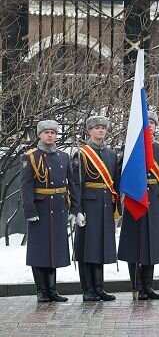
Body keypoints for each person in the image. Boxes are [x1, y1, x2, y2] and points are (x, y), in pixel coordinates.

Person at [21, 120, 75, 302]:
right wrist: (30, 210)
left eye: (53, 132)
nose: (50, 135)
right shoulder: (31, 156)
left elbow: (72, 184)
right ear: (39, 135)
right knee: (39, 250)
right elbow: (26, 186)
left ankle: (52, 290)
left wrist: (74, 208)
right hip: (41, 208)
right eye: (46, 132)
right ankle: (41, 291)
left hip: (59, 207)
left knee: (54, 250)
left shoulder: (63, 156)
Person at [118, 110, 159, 300]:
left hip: (153, 198)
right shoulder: (131, 146)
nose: (150, 126)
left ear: (155, 127)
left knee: (151, 244)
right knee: (135, 244)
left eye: (153, 123)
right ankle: (136, 285)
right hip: (135, 197)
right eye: (147, 123)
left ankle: (148, 286)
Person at [72, 115, 119, 301]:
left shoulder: (111, 154)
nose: (100, 130)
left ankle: (99, 287)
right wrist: (77, 210)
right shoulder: (81, 153)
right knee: (86, 248)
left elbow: (115, 183)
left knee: (100, 247)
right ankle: (88, 289)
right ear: (89, 131)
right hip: (88, 205)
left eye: (103, 128)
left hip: (106, 204)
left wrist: (117, 210)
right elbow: (75, 183)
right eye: (97, 128)